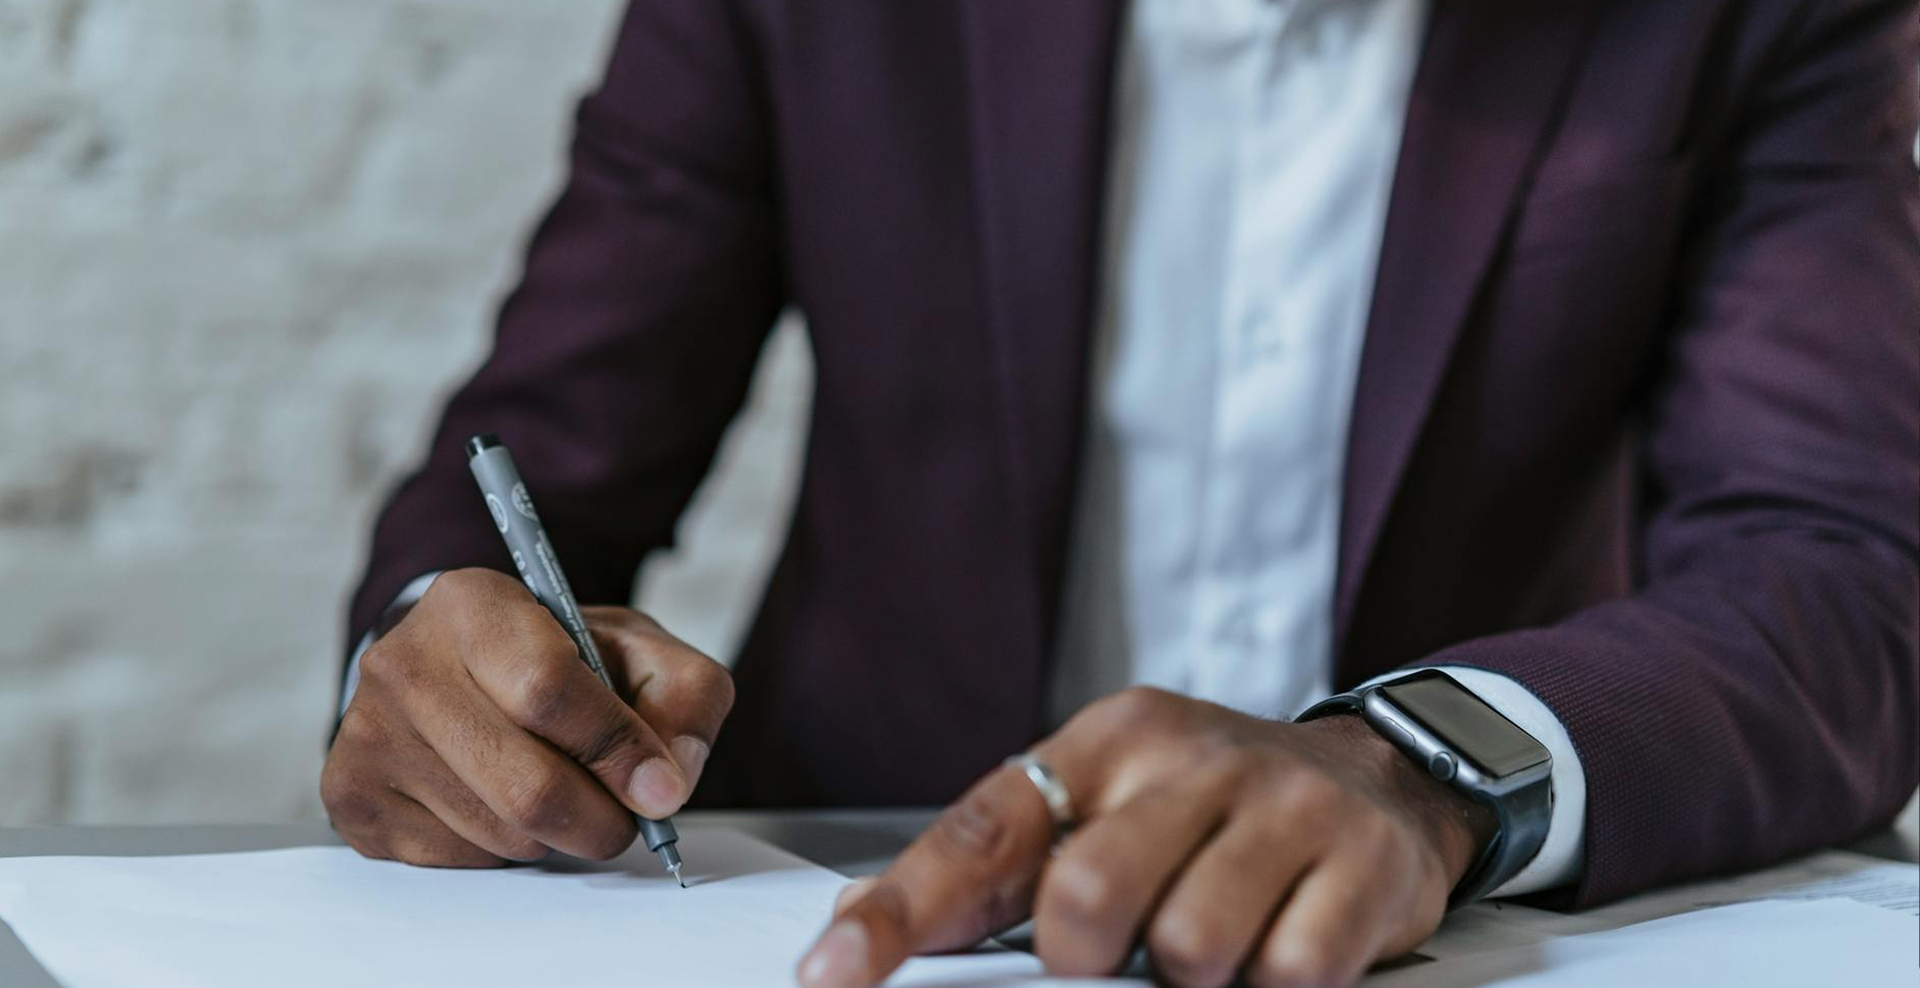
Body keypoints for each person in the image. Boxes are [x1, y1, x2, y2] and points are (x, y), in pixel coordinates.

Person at [319, 1, 1920, 986]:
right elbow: (537, 456)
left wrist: (1428, 770)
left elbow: (1844, 571)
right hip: (840, 933)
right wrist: (447, 662)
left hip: (1429, 947)